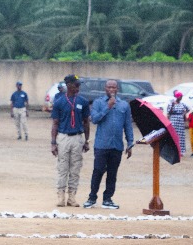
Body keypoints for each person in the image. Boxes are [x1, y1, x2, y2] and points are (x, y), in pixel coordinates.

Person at [83, 79, 134, 210]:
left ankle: (108, 199)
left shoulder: (124, 105)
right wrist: (108, 107)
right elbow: (94, 119)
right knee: (98, 170)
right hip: (101, 144)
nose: (111, 89)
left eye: (114, 87)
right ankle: (92, 198)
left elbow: (128, 125)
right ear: (105, 89)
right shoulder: (98, 102)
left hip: (117, 145)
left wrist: (130, 143)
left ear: (117, 89)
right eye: (109, 87)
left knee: (112, 173)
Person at [50, 74, 90, 207]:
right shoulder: (59, 102)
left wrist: (86, 140)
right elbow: (55, 123)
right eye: (76, 85)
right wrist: (53, 143)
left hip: (78, 137)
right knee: (62, 168)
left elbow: (86, 122)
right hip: (63, 137)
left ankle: (72, 196)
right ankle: (60, 196)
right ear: (69, 85)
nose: (78, 87)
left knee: (75, 168)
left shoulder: (83, 101)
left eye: (79, 85)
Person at [165, 91, 189, 156]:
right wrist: (173, 106)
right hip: (173, 121)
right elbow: (169, 112)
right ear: (177, 96)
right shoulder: (171, 103)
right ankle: (173, 150)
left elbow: (188, 109)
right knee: (173, 135)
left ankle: (181, 151)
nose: (181, 98)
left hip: (180, 122)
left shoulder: (182, 104)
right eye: (180, 96)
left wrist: (184, 113)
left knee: (181, 136)